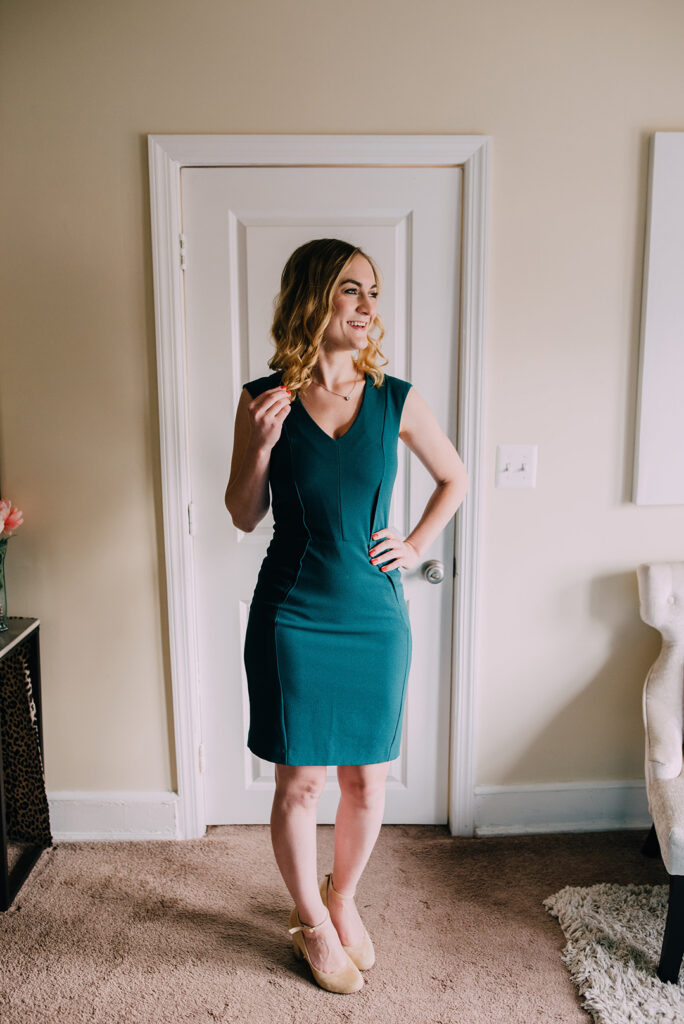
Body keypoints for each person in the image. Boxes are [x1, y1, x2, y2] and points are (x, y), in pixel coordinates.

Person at [225, 238, 469, 994]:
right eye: (352, 291)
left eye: (374, 293)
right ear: (314, 297)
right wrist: (262, 446)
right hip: (292, 613)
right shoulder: (263, 397)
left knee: (368, 780)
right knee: (300, 784)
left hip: (374, 615)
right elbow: (242, 514)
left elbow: (454, 477)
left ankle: (342, 898)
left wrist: (416, 540)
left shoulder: (395, 397)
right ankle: (308, 918)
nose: (369, 307)